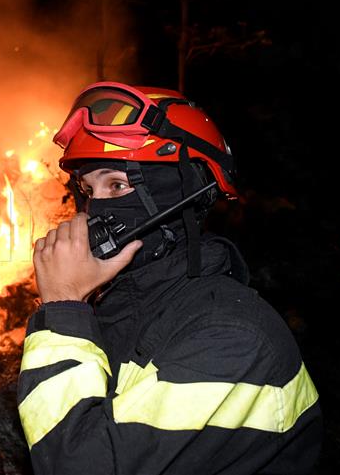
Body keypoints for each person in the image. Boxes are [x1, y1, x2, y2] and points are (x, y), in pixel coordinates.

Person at [18, 82, 322, 474]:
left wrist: (63, 308)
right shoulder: (128, 305)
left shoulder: (231, 337)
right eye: (87, 190)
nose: (94, 210)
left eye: (118, 185)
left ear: (183, 194)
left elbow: (77, 463)